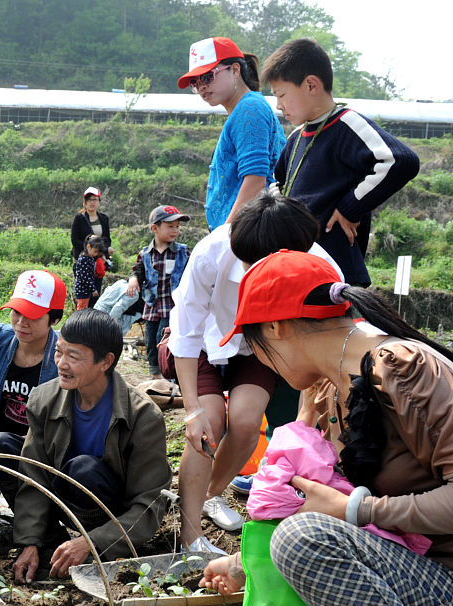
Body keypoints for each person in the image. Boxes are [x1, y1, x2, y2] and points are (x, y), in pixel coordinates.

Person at [200, 250, 453, 606]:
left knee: (302, 536)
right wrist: (250, 565)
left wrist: (358, 511)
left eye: (257, 348)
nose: (261, 363)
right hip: (429, 592)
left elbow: (346, 517)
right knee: (299, 539)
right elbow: (339, 518)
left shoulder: (408, 370)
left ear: (278, 328)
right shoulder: (339, 388)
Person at [170, 191, 339, 548]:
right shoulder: (210, 253)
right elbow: (186, 333)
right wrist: (191, 412)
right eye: (250, 265)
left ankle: (209, 495)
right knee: (209, 423)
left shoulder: (321, 266)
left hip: (257, 347)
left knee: (246, 424)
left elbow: (326, 344)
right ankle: (189, 536)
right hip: (205, 342)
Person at [11, 309, 171, 583]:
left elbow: (149, 503)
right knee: (3, 448)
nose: (61, 363)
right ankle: (51, 542)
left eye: (74, 356)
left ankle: (92, 550)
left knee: (84, 468)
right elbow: (33, 476)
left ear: (105, 362)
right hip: (63, 500)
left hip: (109, 513)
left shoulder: (142, 416)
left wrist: (92, 542)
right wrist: (30, 542)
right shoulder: (43, 400)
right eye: (59, 352)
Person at [262, 37, 420, 288]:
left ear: (311, 85)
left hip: (336, 272)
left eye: (281, 95)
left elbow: (401, 160)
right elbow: (276, 181)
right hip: (297, 266)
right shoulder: (295, 138)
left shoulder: (347, 124)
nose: (279, 106)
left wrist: (350, 206)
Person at [0, 269, 65, 509]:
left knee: (0, 445)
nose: (21, 322)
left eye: (32, 316)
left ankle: (31, 511)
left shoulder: (64, 355)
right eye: (16, 312)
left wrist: (31, 439)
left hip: (38, 442)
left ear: (54, 318)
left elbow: (66, 417)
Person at [179, 37, 286, 228]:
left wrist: (224, 238)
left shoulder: (250, 108)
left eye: (207, 76)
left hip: (249, 232)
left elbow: (255, 181)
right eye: (195, 82)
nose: (202, 86)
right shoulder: (245, 108)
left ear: (235, 70)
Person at [126, 205, 192, 379]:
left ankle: (168, 375)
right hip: (152, 306)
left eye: (177, 227)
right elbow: (138, 270)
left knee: (163, 340)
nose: (175, 230)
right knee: (150, 341)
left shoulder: (183, 252)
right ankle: (155, 376)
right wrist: (134, 280)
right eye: (170, 226)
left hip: (172, 306)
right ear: (154, 228)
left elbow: (194, 273)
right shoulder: (146, 253)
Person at [70, 186, 113, 262]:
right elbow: (75, 240)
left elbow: (107, 239)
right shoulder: (79, 218)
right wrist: (89, 250)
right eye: (89, 200)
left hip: (99, 258)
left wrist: (103, 251)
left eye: (95, 200)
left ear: (99, 202)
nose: (92, 202)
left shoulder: (104, 219)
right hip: (83, 258)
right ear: (85, 203)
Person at [72, 235, 107, 310]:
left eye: (97, 252)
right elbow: (86, 278)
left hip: (86, 290)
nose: (95, 254)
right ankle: (78, 321)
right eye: (95, 251)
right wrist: (93, 290)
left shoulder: (89, 258)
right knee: (82, 309)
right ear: (88, 246)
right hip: (82, 290)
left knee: (85, 308)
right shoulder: (84, 260)